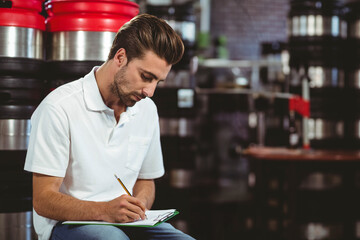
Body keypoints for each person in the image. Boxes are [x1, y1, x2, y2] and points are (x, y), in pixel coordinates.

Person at [24, 13, 195, 240]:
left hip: (126, 222)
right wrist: (105, 211)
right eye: (146, 76)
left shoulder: (147, 110)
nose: (150, 92)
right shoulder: (59, 108)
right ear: (120, 57)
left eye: (157, 82)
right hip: (69, 224)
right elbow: (43, 200)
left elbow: (146, 180)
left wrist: (138, 206)